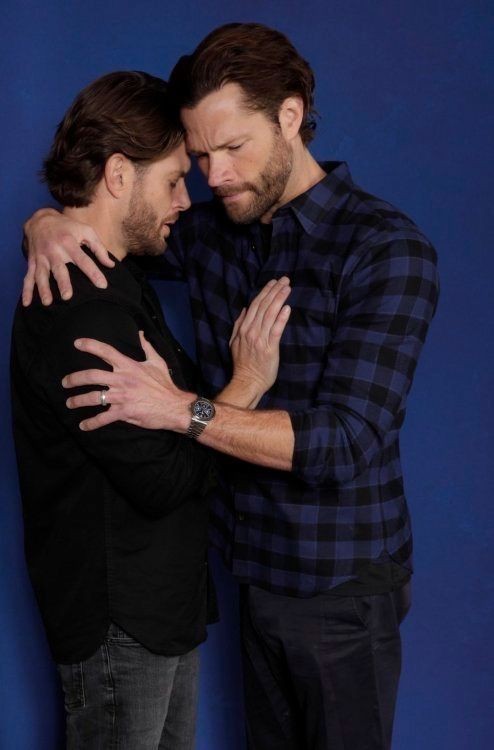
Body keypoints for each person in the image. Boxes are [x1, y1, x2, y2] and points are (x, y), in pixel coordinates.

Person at [22, 23, 440, 750]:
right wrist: (45, 222)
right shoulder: (215, 230)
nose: (213, 177)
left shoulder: (386, 250)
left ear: (290, 116)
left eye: (233, 148)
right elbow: (119, 222)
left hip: (342, 589)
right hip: (249, 577)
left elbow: (342, 443)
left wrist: (183, 410)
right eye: (199, 157)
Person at [12, 69, 291, 750]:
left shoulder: (118, 277)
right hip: (120, 624)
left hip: (155, 613)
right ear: (117, 175)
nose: (186, 200)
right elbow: (161, 480)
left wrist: (40, 221)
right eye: (172, 181)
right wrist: (246, 386)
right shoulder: (82, 310)